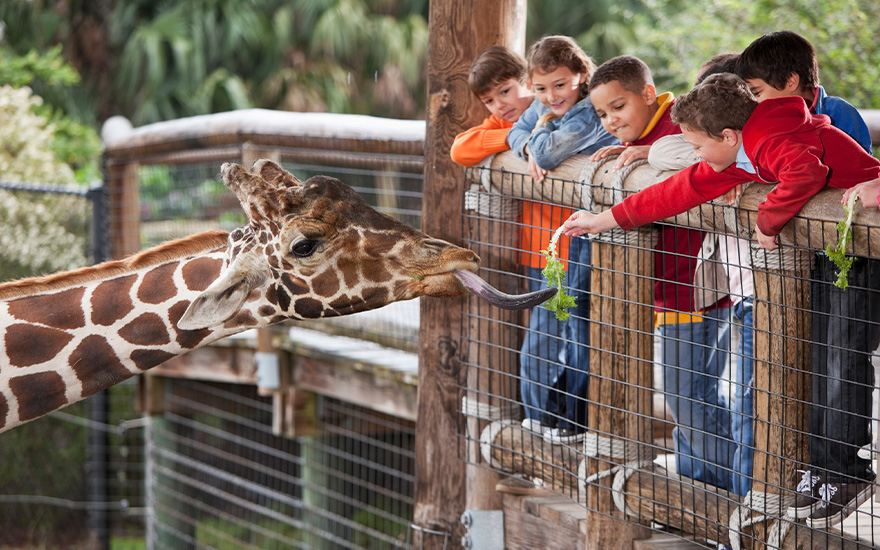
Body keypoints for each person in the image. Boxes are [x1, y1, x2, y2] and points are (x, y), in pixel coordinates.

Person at [562, 72, 880, 528]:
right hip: (837, 250)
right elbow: (673, 192)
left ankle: (843, 474)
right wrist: (601, 221)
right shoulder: (737, 155)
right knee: (820, 365)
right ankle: (825, 472)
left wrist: (766, 221)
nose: (695, 154)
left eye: (698, 146)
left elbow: (806, 171)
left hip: (863, 246)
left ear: (729, 136)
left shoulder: (770, 139)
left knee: (837, 361)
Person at [588, 54, 735, 492]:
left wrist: (648, 154)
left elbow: (700, 163)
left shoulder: (678, 129)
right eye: (602, 113)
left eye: (619, 107)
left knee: (685, 398)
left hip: (690, 288)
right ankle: (701, 497)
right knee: (690, 397)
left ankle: (745, 495)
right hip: (669, 288)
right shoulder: (650, 135)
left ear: (648, 95)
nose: (611, 120)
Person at [507, 35, 618, 442]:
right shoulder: (546, 106)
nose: (550, 97)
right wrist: (530, 144)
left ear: (580, 77)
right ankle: (554, 415)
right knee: (562, 322)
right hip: (567, 236)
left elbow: (550, 154)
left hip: (597, 233)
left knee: (579, 324)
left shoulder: (587, 112)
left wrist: (535, 140)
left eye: (560, 85)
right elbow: (514, 134)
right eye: (539, 89)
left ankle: (575, 418)